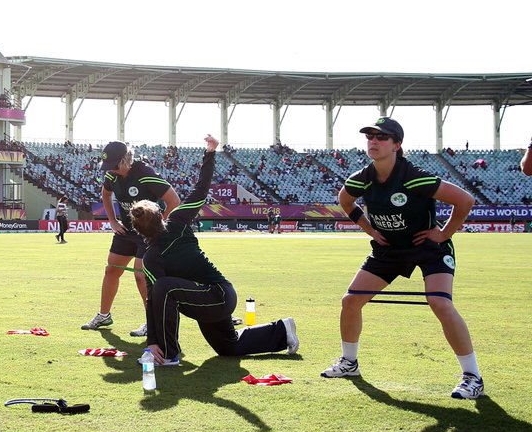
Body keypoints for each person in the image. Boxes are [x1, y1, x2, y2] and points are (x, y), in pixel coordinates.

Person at [321, 117, 482, 399]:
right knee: (351, 301)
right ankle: (349, 363)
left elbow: (465, 200)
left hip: (428, 248)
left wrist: (443, 234)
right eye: (370, 136)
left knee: (440, 303)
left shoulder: (413, 176)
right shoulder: (361, 178)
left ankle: (473, 377)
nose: (373, 141)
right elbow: (345, 200)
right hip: (389, 249)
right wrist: (370, 229)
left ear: (396, 145)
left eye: (382, 137)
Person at [136, 134, 299, 365]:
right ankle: (282, 330)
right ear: (161, 216)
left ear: (139, 232)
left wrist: (153, 341)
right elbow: (201, 190)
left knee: (163, 288)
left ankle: (168, 354)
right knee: (228, 347)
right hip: (215, 297)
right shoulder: (175, 221)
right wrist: (210, 152)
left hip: (216, 296)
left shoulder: (154, 252)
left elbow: (153, 300)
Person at [79, 141, 180, 336]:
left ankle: (152, 321)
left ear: (125, 160)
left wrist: (158, 226)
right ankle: (104, 315)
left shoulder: (145, 173)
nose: (111, 170)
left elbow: (174, 201)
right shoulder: (111, 175)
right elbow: (106, 195)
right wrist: (113, 221)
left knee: (141, 276)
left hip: (148, 233)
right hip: (126, 231)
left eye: (114, 165)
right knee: (111, 270)